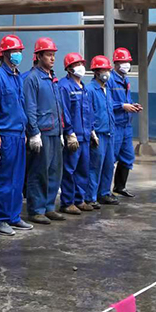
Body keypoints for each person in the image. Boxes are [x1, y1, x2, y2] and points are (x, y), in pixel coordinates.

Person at [0, 34, 33, 237]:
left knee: (17, 178)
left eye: (19, 51)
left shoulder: (17, 76)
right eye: (15, 51)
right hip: (5, 135)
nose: (18, 54)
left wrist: (24, 131)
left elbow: (20, 106)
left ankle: (14, 216)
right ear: (5, 53)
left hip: (18, 134)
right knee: (4, 179)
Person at [23, 37, 64, 225]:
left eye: (53, 55)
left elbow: (58, 106)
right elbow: (30, 107)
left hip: (55, 131)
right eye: (48, 54)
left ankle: (49, 207)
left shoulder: (52, 78)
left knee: (54, 172)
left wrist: (62, 131)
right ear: (38, 56)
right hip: (42, 132)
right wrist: (34, 133)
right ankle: (36, 209)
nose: (52, 58)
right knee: (39, 172)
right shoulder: (32, 79)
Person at [57, 52, 92, 215]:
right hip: (73, 136)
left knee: (83, 169)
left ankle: (79, 199)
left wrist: (92, 130)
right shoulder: (64, 86)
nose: (81, 67)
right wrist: (69, 132)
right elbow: (64, 112)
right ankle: (67, 202)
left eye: (81, 64)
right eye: (77, 65)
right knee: (69, 170)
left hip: (85, 136)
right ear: (69, 68)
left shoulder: (83, 87)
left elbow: (88, 111)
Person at [108, 47, 142, 199]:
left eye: (128, 61)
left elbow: (126, 100)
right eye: (123, 62)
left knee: (128, 156)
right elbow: (107, 102)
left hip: (126, 125)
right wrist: (122, 106)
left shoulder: (125, 80)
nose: (127, 64)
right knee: (110, 158)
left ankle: (120, 187)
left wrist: (133, 105)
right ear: (116, 63)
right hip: (115, 124)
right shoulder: (109, 79)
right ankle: (104, 191)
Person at [86, 55, 116, 208]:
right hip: (98, 134)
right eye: (103, 70)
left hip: (109, 132)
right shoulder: (90, 90)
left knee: (109, 165)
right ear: (96, 72)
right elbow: (88, 113)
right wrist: (92, 132)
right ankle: (90, 197)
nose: (107, 73)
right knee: (95, 166)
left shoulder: (107, 89)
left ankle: (104, 193)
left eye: (108, 70)